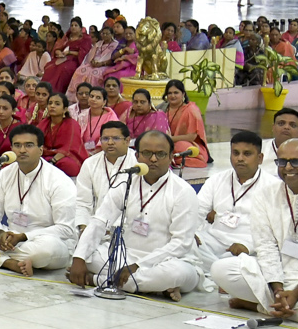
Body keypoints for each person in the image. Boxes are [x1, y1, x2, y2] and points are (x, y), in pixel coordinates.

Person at [208, 138, 298, 325]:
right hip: (274, 277)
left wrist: (295, 293)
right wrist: (278, 289)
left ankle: (261, 307)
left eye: (296, 162)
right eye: (282, 162)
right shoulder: (266, 195)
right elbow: (265, 247)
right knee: (220, 269)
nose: (288, 167)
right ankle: (284, 306)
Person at [68, 130, 202, 299]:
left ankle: (96, 279)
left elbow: (181, 244)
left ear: (170, 157)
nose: (153, 159)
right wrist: (79, 258)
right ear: (137, 156)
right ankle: (154, 288)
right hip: (126, 256)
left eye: (160, 154)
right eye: (147, 153)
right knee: (86, 255)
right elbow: (100, 221)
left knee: (173, 274)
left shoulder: (183, 192)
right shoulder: (126, 183)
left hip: (170, 261)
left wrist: (138, 265)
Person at [0, 124, 80, 276]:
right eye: (17, 145)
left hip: (48, 241)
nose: (22, 150)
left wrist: (24, 237)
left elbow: (66, 229)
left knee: (44, 252)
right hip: (10, 238)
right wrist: (0, 233)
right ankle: (10, 263)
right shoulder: (5, 173)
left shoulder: (59, 180)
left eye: (28, 145)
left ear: (41, 150)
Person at [196, 131, 274, 268]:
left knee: (248, 262)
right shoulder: (216, 180)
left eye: (247, 154)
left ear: (260, 158)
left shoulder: (273, 187)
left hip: (247, 246)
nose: (240, 158)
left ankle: (211, 271)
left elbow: (276, 229)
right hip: (212, 241)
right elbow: (196, 212)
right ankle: (217, 272)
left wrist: (249, 246)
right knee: (186, 243)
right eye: (235, 153)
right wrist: (194, 234)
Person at [74, 120, 132, 224]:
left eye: (116, 138)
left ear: (127, 141)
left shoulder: (137, 164)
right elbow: (82, 203)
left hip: (126, 228)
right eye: (105, 139)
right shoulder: (90, 163)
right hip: (95, 225)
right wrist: (84, 227)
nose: (110, 143)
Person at [162, 80, 208, 169]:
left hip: (188, 144)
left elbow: (191, 137)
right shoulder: (162, 108)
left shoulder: (191, 110)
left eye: (176, 93)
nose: (172, 96)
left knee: (180, 146)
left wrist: (170, 139)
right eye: (170, 93)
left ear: (183, 94)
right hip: (165, 141)